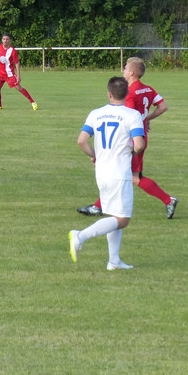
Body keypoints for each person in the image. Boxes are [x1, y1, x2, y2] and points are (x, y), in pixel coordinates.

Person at [78, 57, 178, 219]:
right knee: (125, 173)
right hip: (140, 133)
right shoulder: (147, 89)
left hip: (132, 138)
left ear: (131, 73)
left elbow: (126, 118)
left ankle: (168, 200)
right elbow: (163, 106)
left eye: (125, 68)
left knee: (131, 176)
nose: (123, 71)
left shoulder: (130, 93)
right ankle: (99, 206)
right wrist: (147, 119)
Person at [68, 76, 146, 270]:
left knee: (114, 214)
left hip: (102, 171)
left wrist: (94, 155)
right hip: (119, 171)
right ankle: (80, 236)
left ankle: (114, 261)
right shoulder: (132, 115)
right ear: (126, 93)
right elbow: (139, 144)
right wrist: (133, 149)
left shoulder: (96, 113)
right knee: (122, 220)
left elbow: (81, 141)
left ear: (109, 94)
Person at [0, 34, 38, 111]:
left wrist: (18, 75)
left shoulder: (12, 51)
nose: (5, 41)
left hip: (9, 74)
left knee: (18, 87)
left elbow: (17, 63)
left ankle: (33, 102)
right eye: (3, 39)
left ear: (10, 40)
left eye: (7, 39)